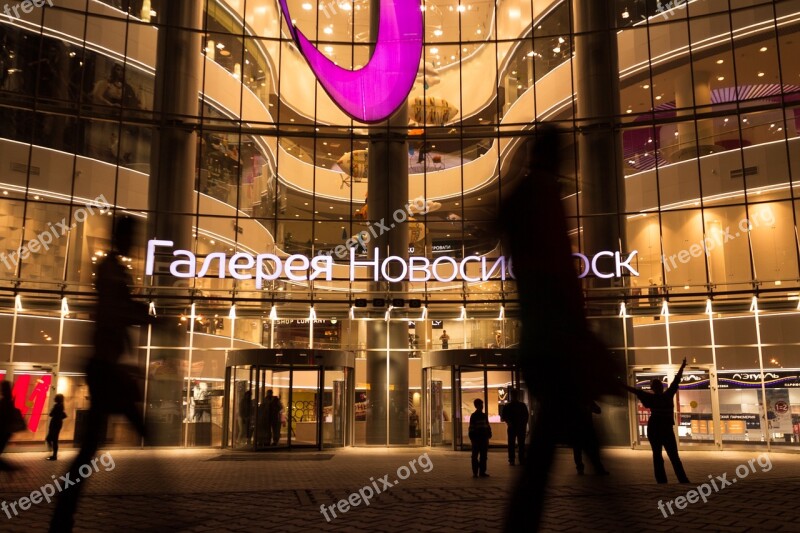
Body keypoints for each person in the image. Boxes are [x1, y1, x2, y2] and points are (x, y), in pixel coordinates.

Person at [50, 216, 153, 532]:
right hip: (105, 368)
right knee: (115, 437)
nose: (134, 243)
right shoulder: (111, 270)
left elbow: (121, 309)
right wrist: (149, 317)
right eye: (131, 236)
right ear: (121, 236)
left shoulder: (114, 269)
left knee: (91, 448)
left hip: (107, 367)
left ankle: (64, 513)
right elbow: (117, 310)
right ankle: (66, 513)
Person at [623, 358, 690, 484]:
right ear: (661, 387)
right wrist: (681, 368)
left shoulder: (650, 397)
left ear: (653, 388)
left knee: (657, 456)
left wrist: (620, 385)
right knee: (674, 457)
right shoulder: (668, 395)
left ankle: (661, 481)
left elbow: (635, 391)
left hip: (654, 429)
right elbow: (676, 381)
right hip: (666, 429)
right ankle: (683, 480)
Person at [570, 400, 608, 476]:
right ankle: (598, 468)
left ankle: (582, 468)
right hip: (585, 429)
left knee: (578, 450)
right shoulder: (587, 400)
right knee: (590, 449)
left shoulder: (583, 401)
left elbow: (598, 410)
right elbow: (598, 410)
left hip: (581, 429)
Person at [501, 390, 529, 466]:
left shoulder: (507, 406)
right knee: (521, 444)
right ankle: (521, 459)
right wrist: (524, 425)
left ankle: (512, 459)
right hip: (520, 427)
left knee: (511, 444)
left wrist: (509, 422)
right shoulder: (522, 405)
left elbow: (503, 416)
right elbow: (526, 417)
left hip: (512, 427)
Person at [468, 398, 492, 478]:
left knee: (483, 456)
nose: (482, 406)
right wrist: (472, 438)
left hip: (483, 438)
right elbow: (471, 428)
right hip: (477, 439)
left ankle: (481, 472)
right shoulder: (474, 416)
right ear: (476, 406)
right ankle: (476, 472)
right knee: (476, 456)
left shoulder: (484, 415)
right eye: (480, 405)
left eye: (482, 404)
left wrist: (489, 434)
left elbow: (487, 425)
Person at [46, 394, 68, 461]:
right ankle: (53, 453)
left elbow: (51, 414)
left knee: (51, 439)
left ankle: (54, 455)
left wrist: (52, 410)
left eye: (55, 397)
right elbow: (64, 416)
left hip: (54, 424)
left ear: (57, 399)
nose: (54, 398)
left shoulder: (57, 406)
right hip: (58, 424)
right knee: (52, 439)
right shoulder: (61, 406)